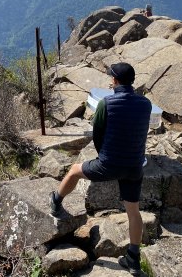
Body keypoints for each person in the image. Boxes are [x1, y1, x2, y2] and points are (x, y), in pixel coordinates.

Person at [48, 63, 152, 276]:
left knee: (75, 170)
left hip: (109, 163)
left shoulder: (106, 103)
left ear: (115, 81)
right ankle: (133, 259)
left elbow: (97, 135)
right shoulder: (146, 104)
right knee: (133, 211)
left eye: (111, 77)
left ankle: (56, 201)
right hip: (134, 166)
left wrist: (103, 157)